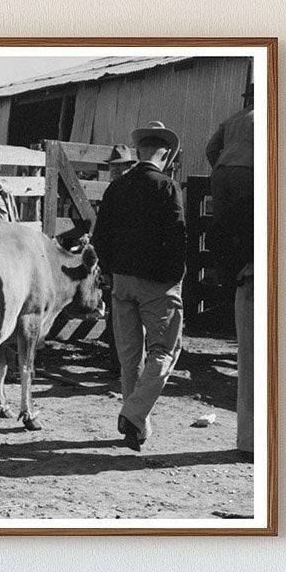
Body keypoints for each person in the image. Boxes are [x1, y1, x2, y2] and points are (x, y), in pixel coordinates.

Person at [91, 121, 187, 452]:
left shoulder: (116, 188)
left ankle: (136, 429)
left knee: (130, 358)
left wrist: (110, 272)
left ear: (140, 152)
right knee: (165, 351)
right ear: (167, 155)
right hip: (156, 285)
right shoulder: (168, 188)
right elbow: (178, 240)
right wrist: (174, 278)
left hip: (121, 283)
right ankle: (132, 413)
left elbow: (99, 238)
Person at [206, 88, 254, 456]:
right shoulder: (266, 117)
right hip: (251, 173)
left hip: (223, 174)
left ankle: (227, 271)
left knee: (225, 229)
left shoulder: (232, 119)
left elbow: (210, 149)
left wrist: (221, 168)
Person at [98, 145, 139, 375]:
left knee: (119, 315)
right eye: (112, 167)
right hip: (128, 262)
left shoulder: (115, 191)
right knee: (120, 316)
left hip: (121, 262)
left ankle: (121, 364)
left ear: (127, 167)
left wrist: (105, 264)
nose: (114, 171)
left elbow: (103, 232)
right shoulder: (124, 190)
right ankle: (122, 363)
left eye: (118, 166)